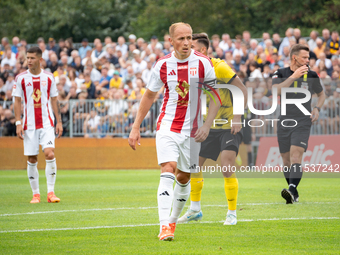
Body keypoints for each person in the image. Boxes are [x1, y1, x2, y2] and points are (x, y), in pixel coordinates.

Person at [128, 22, 220, 241]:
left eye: (189, 38)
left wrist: (207, 125)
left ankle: (173, 220)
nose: (187, 43)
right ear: (171, 41)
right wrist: (135, 126)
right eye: (181, 39)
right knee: (168, 168)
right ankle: (164, 226)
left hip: (194, 130)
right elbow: (149, 95)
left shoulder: (203, 63)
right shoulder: (162, 65)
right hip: (168, 125)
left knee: (184, 176)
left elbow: (216, 97)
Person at [178, 33, 247, 225]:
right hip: (207, 126)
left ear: (202, 50)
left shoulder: (220, 68)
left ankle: (232, 213)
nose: (186, 48)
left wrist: (237, 117)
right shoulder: (193, 70)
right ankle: (195, 210)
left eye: (190, 46)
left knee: (226, 166)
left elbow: (242, 89)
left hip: (228, 126)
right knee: (194, 166)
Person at [272, 44, 325, 204]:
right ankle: (293, 192)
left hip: (303, 121)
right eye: (305, 57)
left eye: (308, 58)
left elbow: (322, 95)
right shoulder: (280, 73)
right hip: (284, 121)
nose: (308, 60)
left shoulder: (312, 75)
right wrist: (294, 76)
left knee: (296, 157)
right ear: (294, 57)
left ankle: (292, 189)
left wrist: (317, 108)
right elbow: (276, 91)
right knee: (286, 161)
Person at [12, 47, 63, 204]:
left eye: (32, 58)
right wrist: (18, 122)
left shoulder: (48, 78)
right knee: (32, 158)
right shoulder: (20, 78)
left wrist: (59, 121)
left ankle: (51, 193)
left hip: (47, 123)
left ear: (40, 60)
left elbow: (54, 100)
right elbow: (17, 101)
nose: (29, 61)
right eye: (27, 58)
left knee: (50, 154)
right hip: (29, 125)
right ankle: (36, 194)